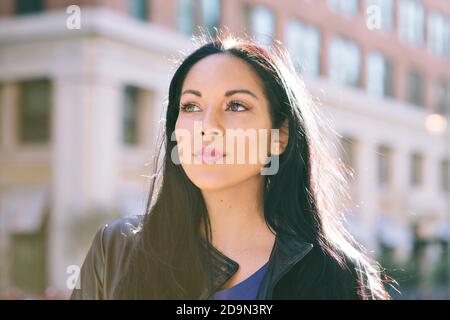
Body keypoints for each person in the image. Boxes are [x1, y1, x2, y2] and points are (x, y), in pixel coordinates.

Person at [70, 33, 393, 300]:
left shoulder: (333, 274)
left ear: (279, 138)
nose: (207, 126)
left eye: (236, 105)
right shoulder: (117, 248)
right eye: (191, 106)